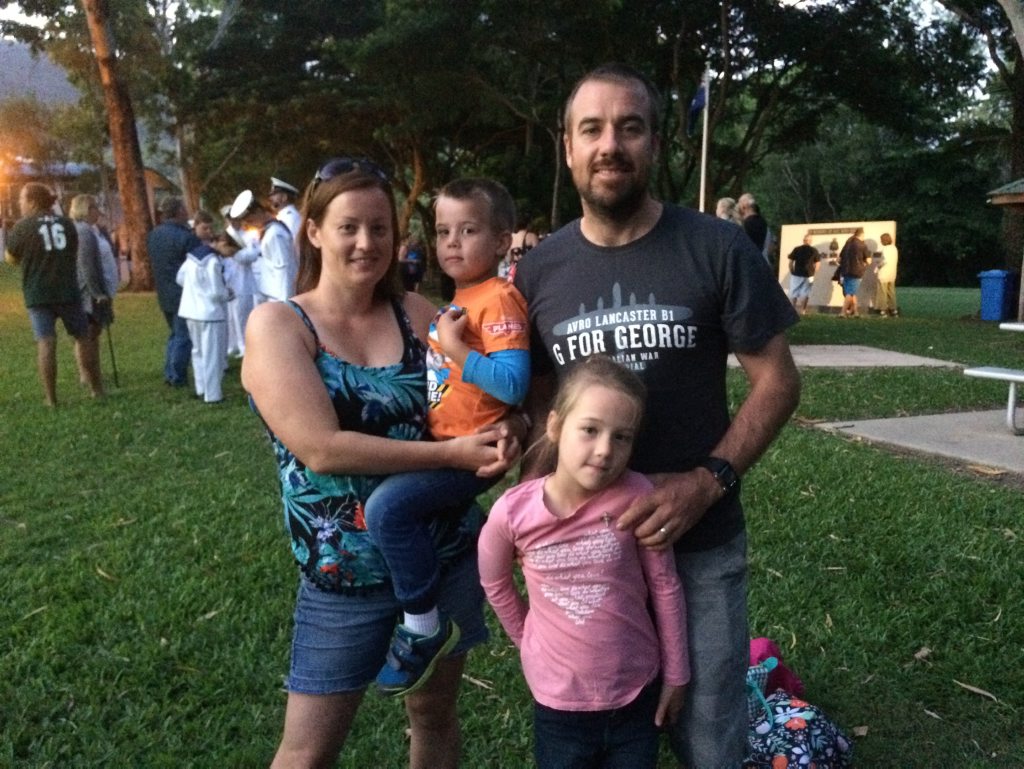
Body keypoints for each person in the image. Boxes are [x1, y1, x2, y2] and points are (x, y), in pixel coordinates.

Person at [513, 63, 801, 768]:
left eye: (629, 127)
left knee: (707, 740)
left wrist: (706, 482)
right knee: (600, 742)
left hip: (697, 542)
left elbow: (778, 382)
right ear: (569, 147)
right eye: (593, 129)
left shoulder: (716, 246)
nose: (610, 144)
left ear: (653, 143)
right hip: (585, 562)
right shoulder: (539, 270)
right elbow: (538, 401)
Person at [241, 157, 517, 769]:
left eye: (381, 228)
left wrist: (509, 431)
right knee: (308, 750)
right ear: (313, 231)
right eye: (348, 227)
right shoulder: (280, 325)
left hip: (444, 556)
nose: (367, 243)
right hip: (346, 574)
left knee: (435, 716)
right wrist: (447, 455)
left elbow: (480, 397)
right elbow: (321, 448)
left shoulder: (417, 316)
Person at [479, 355, 688, 769]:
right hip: (559, 706)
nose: (605, 450)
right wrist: (527, 641)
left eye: (622, 437)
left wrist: (677, 675)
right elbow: (494, 580)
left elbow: (665, 585)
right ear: (556, 427)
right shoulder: (513, 513)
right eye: (590, 430)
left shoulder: (637, 496)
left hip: (635, 691)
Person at [366, 177, 529, 697]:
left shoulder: (499, 299)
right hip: (447, 444)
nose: (452, 242)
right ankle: (478, 534)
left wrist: (458, 350)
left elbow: (513, 383)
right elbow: (444, 383)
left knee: (388, 510)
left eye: (468, 230)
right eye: (442, 231)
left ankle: (422, 624)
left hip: (471, 450)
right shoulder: (463, 298)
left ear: (503, 240)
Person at [4, 183, 104, 405]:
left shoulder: (23, 227)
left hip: (38, 293)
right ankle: (97, 389)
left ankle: (51, 399)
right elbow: (73, 251)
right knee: (82, 337)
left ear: (32, 201)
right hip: (68, 291)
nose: (20, 203)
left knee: (46, 343)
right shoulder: (67, 224)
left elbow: (11, 259)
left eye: (21, 199)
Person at [147, 196, 202, 386]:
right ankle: (177, 375)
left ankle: (170, 371)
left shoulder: (154, 234)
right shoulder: (186, 237)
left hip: (164, 291)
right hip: (182, 292)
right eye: (184, 209)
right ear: (179, 212)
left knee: (174, 333)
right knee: (183, 335)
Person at [176, 240, 230, 403]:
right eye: (230, 250)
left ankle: (201, 387)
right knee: (212, 354)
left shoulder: (192, 258)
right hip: (210, 313)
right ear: (222, 243)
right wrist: (228, 293)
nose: (230, 254)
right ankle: (213, 394)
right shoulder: (213, 261)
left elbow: (180, 279)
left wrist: (195, 290)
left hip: (191, 310)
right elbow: (216, 292)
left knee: (198, 351)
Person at [69, 194, 112, 387]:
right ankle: (88, 374)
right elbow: (87, 265)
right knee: (87, 334)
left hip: (95, 289)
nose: (98, 211)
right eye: (94, 207)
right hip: (88, 293)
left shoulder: (93, 230)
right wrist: (97, 293)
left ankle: (92, 370)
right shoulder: (83, 232)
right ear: (86, 209)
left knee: (93, 334)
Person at [229, 189, 297, 303]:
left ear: (258, 211)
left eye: (250, 220)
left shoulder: (275, 234)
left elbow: (284, 272)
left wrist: (286, 304)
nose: (249, 224)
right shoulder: (267, 231)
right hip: (270, 296)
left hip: (279, 298)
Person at [837, 227, 871, 318]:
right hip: (856, 272)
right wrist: (864, 264)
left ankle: (856, 312)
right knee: (850, 293)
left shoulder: (847, 244)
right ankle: (843, 312)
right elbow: (868, 261)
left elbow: (839, 259)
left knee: (852, 292)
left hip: (845, 271)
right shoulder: (862, 245)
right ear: (862, 235)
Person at [787, 233, 821, 315]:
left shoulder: (797, 249)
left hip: (797, 274)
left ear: (804, 240)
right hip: (809, 275)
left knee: (794, 292)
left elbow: (791, 262)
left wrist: (792, 270)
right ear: (810, 241)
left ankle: (793, 309)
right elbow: (818, 264)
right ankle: (803, 310)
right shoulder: (814, 250)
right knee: (805, 293)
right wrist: (813, 273)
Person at [875, 232, 899, 317]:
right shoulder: (894, 248)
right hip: (892, 274)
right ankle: (894, 310)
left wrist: (877, 267)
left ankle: (883, 311)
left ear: (883, 241)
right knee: (891, 293)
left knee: (883, 293)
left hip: (883, 274)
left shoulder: (884, 249)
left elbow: (883, 261)